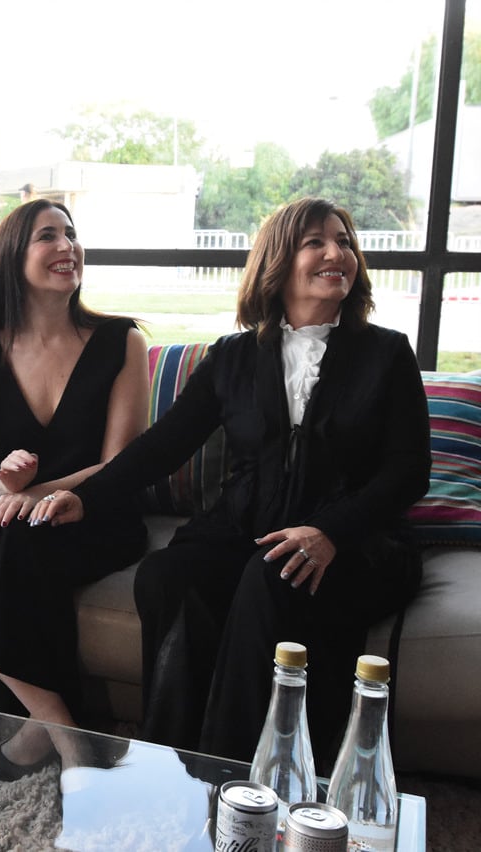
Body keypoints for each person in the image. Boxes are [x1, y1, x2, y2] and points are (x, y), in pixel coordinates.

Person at [43, 197, 431, 761]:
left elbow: (408, 472)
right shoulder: (232, 357)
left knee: (270, 578)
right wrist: (84, 497)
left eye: (344, 241)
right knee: (166, 575)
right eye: (316, 242)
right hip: (249, 523)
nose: (336, 253)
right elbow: (163, 445)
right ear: (278, 261)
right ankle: (166, 758)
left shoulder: (387, 354)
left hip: (357, 538)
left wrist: (329, 533)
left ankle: (233, 771)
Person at [0, 199, 150, 780]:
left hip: (98, 512)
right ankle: (59, 723)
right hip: (16, 515)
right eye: (47, 236)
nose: (67, 247)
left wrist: (38, 494)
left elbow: (121, 461)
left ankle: (47, 731)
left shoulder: (121, 340)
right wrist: (6, 485)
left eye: (72, 235)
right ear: (12, 257)